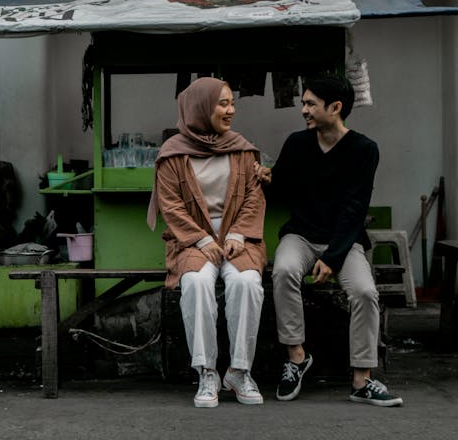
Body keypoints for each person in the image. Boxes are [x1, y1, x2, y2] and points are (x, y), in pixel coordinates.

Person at [257, 75, 403, 406]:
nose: (304, 110)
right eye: (303, 103)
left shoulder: (365, 150)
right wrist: (266, 177)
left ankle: (362, 379)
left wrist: (334, 257)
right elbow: (281, 187)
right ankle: (296, 358)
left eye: (310, 104)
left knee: (365, 292)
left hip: (344, 240)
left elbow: (354, 209)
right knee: (283, 271)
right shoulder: (297, 143)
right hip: (301, 235)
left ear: (335, 108)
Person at [147, 77, 267, 408]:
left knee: (247, 282)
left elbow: (254, 197)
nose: (231, 110)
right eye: (223, 103)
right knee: (196, 283)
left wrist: (236, 235)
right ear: (201, 107)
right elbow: (170, 204)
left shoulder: (241, 148)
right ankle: (207, 371)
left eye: (232, 103)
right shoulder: (171, 155)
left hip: (236, 237)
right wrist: (200, 239)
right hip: (191, 240)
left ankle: (240, 370)